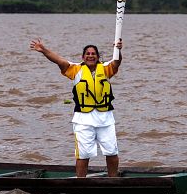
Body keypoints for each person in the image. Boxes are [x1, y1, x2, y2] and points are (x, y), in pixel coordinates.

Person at [29, 38, 123, 177]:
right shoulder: (75, 69)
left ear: (97, 57)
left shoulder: (106, 68)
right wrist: (43, 50)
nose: (90, 56)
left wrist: (118, 50)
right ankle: (81, 182)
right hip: (83, 119)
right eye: (88, 54)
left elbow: (117, 62)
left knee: (112, 152)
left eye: (93, 54)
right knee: (83, 154)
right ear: (83, 57)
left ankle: (113, 181)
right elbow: (59, 61)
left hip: (105, 118)